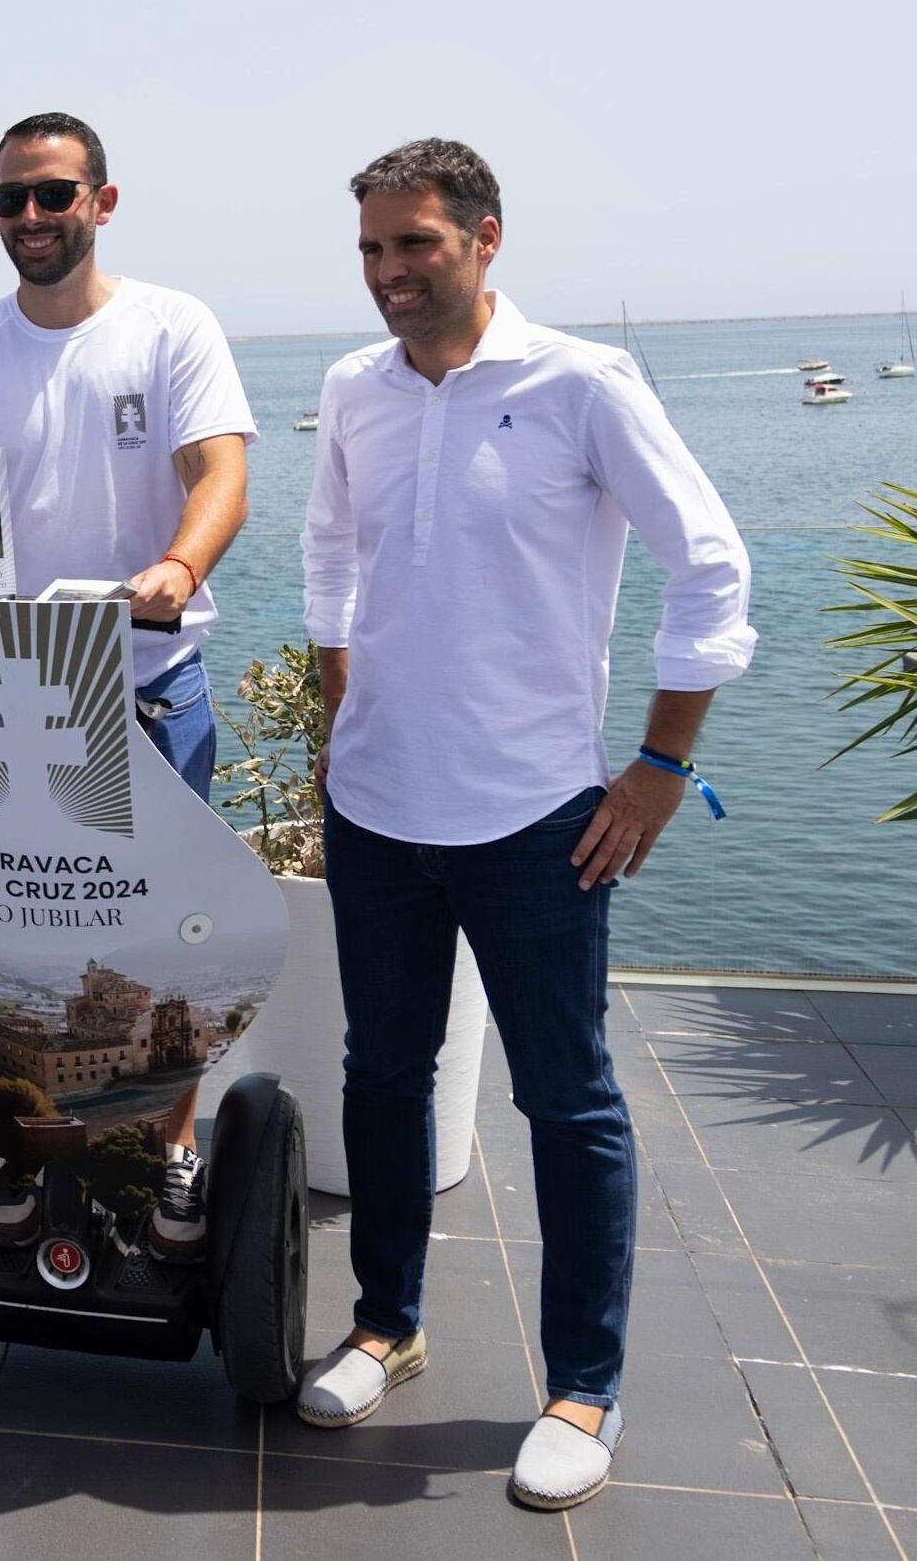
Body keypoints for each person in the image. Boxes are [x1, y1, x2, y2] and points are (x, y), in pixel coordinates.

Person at [295, 139, 753, 1512]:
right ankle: (387, 1324)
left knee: (568, 1100)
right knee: (381, 1074)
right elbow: (328, 551)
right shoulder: (350, 392)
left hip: (538, 820)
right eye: (371, 249)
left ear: (485, 238)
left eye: (413, 245)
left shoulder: (581, 384)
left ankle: (580, 1388)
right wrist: (335, 708)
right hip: (377, 808)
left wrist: (659, 767)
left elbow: (710, 566)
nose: (387, 274)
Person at [0, 109, 257, 1260]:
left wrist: (177, 564)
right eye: (10, 200)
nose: (31, 219)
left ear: (101, 202)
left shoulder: (169, 329)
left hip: (144, 686)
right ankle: (14, 1153)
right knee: (9, 944)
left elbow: (219, 472)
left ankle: (167, 1156)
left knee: (161, 957)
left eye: (53, 196)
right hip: (8, 704)